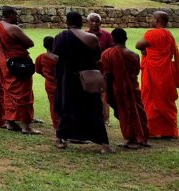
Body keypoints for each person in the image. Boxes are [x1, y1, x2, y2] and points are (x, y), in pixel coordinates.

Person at [52, 10, 111, 154]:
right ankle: (104, 144)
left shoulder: (61, 37)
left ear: (67, 22)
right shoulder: (91, 38)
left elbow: (56, 56)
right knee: (94, 108)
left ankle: (61, 139)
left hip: (68, 78)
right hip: (87, 77)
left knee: (67, 107)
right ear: (82, 22)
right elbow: (97, 56)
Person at [136, 10, 179, 139]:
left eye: (152, 18)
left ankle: (151, 129)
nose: (151, 20)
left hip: (153, 72)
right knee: (166, 99)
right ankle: (169, 131)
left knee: (151, 99)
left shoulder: (152, 33)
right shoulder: (169, 35)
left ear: (157, 20)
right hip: (166, 72)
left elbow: (138, 45)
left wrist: (143, 50)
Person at [0, 6, 39, 134]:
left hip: (4, 61)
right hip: (18, 62)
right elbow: (30, 43)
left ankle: (10, 122)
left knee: (8, 90)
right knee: (23, 92)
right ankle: (25, 126)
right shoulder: (13, 28)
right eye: (15, 15)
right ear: (11, 14)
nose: (17, 17)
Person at [100, 28, 150, 149]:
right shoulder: (134, 55)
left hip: (117, 87)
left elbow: (106, 73)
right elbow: (136, 71)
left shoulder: (107, 54)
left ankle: (132, 139)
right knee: (139, 111)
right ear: (126, 38)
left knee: (125, 113)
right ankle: (143, 138)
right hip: (133, 88)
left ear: (112, 39)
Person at [34, 36, 60, 132]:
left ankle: (56, 125)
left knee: (53, 105)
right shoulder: (59, 58)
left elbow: (38, 70)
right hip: (61, 84)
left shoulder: (41, 57)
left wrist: (47, 76)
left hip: (49, 84)